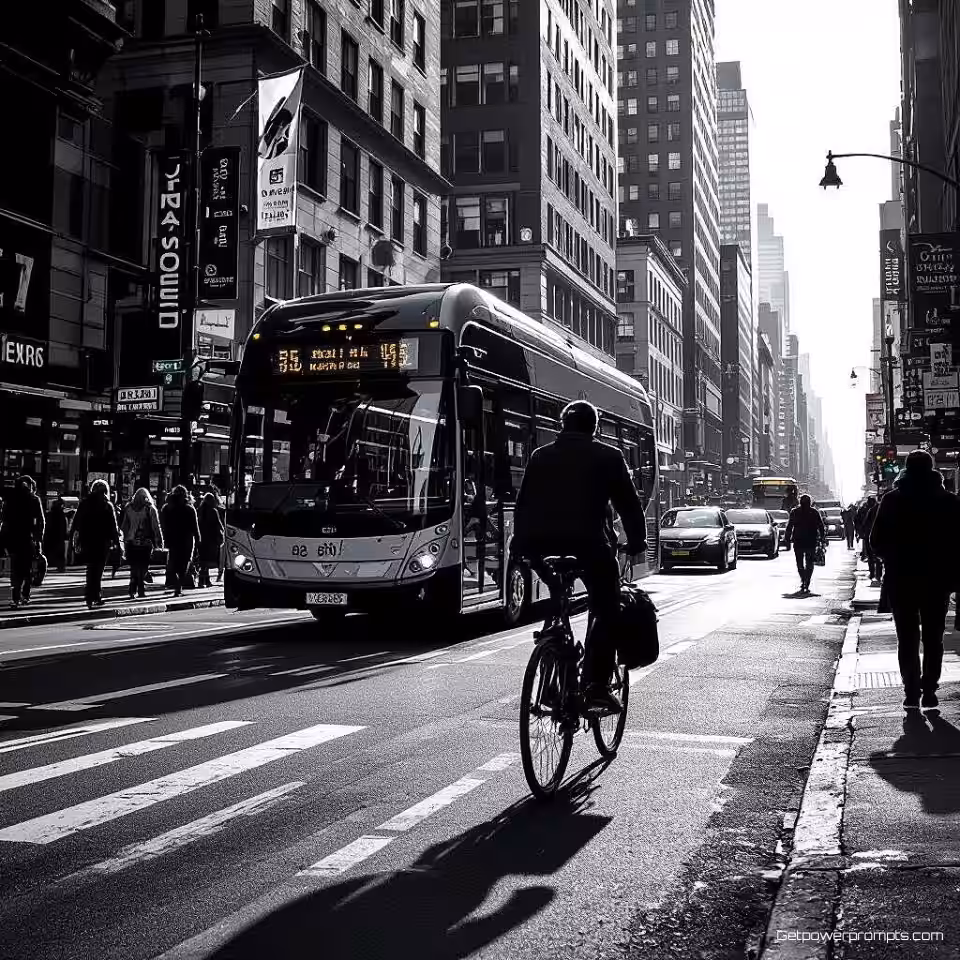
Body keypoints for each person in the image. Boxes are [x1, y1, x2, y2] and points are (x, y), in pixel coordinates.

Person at [511, 400, 648, 714]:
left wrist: (522, 545)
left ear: (562, 425)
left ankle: (551, 663)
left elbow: (524, 504)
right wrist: (636, 542)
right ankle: (596, 686)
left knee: (557, 597)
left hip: (540, 546)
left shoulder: (540, 455)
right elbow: (628, 505)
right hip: (589, 545)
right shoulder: (609, 456)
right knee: (606, 606)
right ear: (595, 427)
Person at [870, 450, 960, 712]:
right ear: (932, 468)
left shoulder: (892, 500)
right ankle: (929, 689)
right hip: (937, 579)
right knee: (934, 638)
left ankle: (911, 692)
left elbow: (876, 541)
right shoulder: (949, 501)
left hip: (902, 579)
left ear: (906, 468)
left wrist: (892, 557)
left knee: (907, 638)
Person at [71, 479, 122, 609]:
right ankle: (96, 595)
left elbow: (77, 522)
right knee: (98, 570)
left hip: (88, 540)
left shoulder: (85, 503)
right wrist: (117, 543)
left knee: (90, 568)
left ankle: (89, 595)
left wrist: (75, 539)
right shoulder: (107, 505)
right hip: (102, 542)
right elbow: (113, 526)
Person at [1, 476, 45, 609]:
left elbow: (4, 522)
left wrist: (4, 541)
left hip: (13, 540)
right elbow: (41, 521)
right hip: (28, 539)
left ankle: (15, 597)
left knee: (15, 570)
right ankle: (25, 594)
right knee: (28, 568)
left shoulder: (10, 500)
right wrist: (39, 539)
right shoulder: (34, 500)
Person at [121, 488, 163, 600]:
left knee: (134, 567)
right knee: (143, 566)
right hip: (146, 542)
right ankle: (140, 589)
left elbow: (124, 526)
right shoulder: (150, 509)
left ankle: (132, 588)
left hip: (131, 542)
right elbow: (156, 526)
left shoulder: (128, 508)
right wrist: (159, 540)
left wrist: (124, 540)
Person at [161, 484, 201, 597]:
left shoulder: (167, 508)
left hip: (172, 539)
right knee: (184, 564)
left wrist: (164, 538)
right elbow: (195, 527)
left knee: (172, 564)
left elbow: (163, 525)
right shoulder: (189, 508)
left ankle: (176, 583)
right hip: (186, 540)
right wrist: (198, 540)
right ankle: (179, 587)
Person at [784, 494, 825, 594]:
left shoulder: (795, 512)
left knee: (800, 563)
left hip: (799, 541)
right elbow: (821, 526)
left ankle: (804, 580)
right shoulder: (814, 512)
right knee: (809, 563)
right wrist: (822, 538)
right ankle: (806, 581)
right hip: (810, 541)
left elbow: (789, 526)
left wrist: (787, 538)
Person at [196, 492, 224, 588]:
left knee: (202, 560)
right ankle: (205, 580)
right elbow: (219, 525)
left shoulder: (199, 510)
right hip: (211, 539)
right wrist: (222, 534)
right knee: (207, 561)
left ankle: (203, 580)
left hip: (201, 538)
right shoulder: (213, 511)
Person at [860, 495, 882, 585]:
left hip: (871, 537)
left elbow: (865, 524)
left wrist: (863, 533)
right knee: (878, 557)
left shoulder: (871, 510)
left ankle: (873, 574)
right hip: (879, 537)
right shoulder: (881, 509)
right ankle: (878, 575)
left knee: (871, 557)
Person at [43, 497, 69, 573]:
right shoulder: (62, 515)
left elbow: (48, 526)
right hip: (60, 537)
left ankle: (50, 564)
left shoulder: (50, 514)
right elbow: (64, 527)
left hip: (51, 536)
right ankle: (61, 567)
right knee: (60, 552)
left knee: (51, 551)